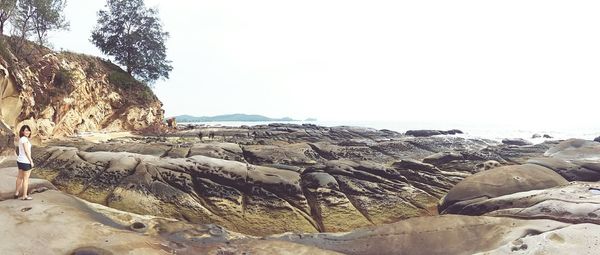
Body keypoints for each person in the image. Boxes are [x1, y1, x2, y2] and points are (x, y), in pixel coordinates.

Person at [15, 125, 34, 200]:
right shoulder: (25, 140)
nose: (27, 132)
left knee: (19, 177)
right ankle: (24, 196)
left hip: (20, 161)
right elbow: (27, 151)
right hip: (25, 162)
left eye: (28, 130)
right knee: (25, 179)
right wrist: (31, 161)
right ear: (22, 131)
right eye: (25, 130)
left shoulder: (21, 139)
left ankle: (16, 193)